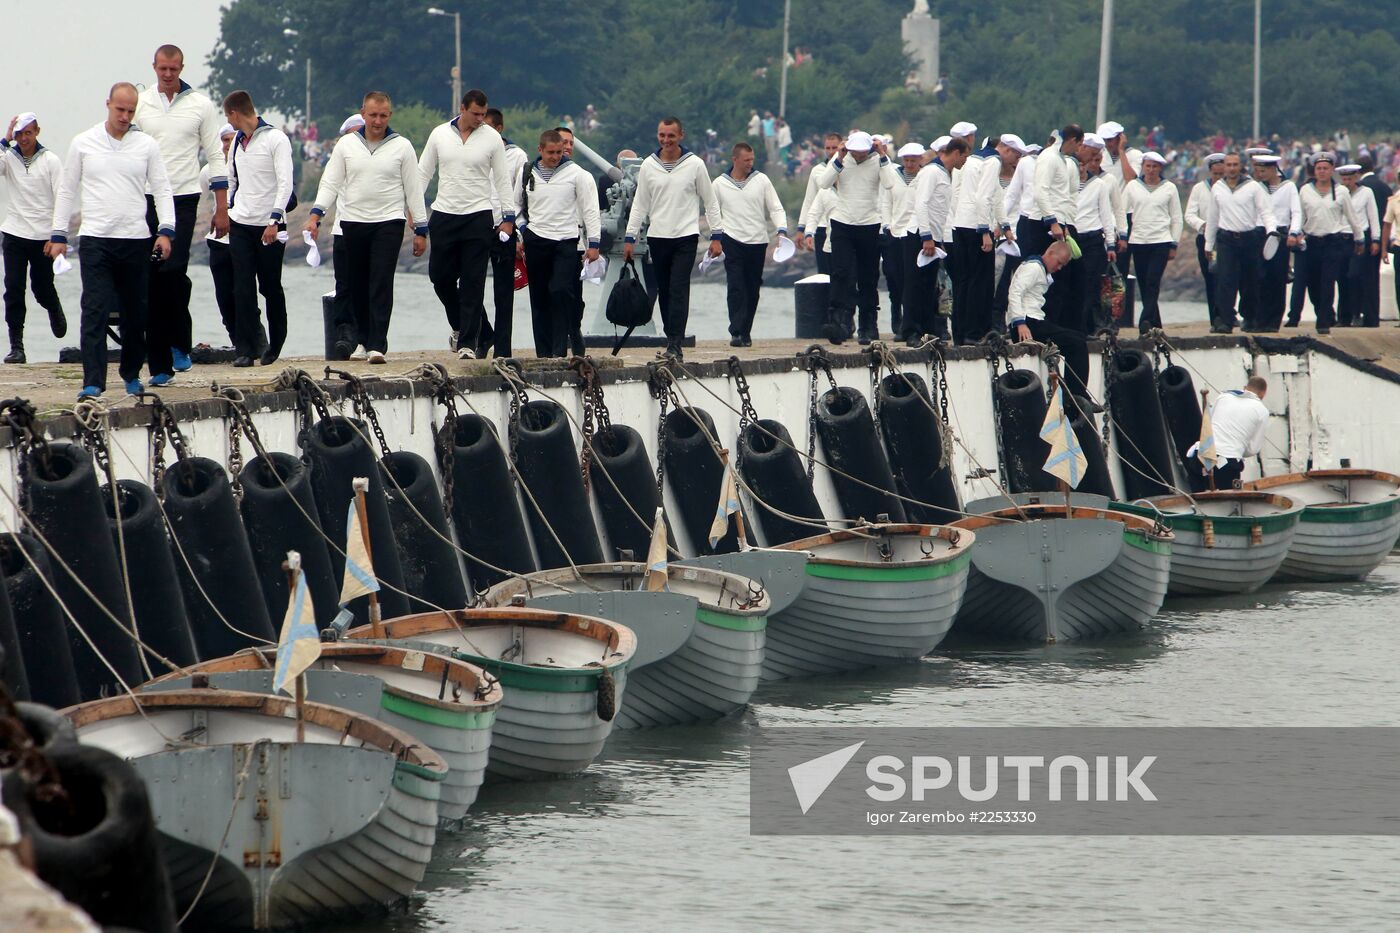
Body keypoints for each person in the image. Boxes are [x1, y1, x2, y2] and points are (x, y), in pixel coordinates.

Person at [49, 83, 174, 398]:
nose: (125, 116)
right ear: (108, 105)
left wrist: (166, 230)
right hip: (96, 239)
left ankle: (131, 373)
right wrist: (58, 234)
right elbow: (67, 189)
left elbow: (161, 187)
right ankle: (93, 380)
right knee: (95, 308)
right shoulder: (83, 142)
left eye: (131, 111)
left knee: (136, 313)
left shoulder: (146, 145)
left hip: (134, 239)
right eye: (120, 110)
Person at [306, 91, 427, 365]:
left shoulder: (402, 146)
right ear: (363, 113)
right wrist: (316, 214)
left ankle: (377, 344)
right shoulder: (346, 145)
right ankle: (361, 339)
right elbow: (330, 182)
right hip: (353, 221)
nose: (377, 120)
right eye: (373, 115)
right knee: (357, 283)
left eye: (383, 115)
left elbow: (414, 189)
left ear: (390, 116)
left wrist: (421, 229)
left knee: (381, 281)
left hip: (388, 221)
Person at [134, 44, 227, 380]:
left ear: (182, 67)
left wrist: (221, 207)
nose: (169, 75)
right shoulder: (141, 104)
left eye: (174, 69)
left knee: (172, 273)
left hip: (184, 198)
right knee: (151, 279)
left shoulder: (200, 105)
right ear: (154, 67)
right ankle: (160, 365)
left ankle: (180, 343)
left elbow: (215, 155)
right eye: (163, 69)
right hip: (145, 199)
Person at [417, 89, 515, 361]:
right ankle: (465, 326)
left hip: (478, 216)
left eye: (484, 115)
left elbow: (502, 180)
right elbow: (423, 172)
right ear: (463, 108)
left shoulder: (492, 138)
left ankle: (468, 344)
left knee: (473, 282)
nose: (480, 119)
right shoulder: (439, 134)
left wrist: (508, 219)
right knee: (440, 277)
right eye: (475, 114)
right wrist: (413, 210)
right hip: (444, 214)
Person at [622, 116, 724, 360]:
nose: (666, 140)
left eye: (671, 135)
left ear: (681, 136)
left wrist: (717, 236)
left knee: (679, 288)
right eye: (662, 135)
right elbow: (640, 204)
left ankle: (676, 343)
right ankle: (671, 337)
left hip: (685, 236)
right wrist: (630, 236)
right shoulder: (649, 165)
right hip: (658, 237)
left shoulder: (695, 164)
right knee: (665, 290)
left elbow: (710, 201)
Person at [221, 90, 293, 368]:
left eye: (229, 116)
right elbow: (231, 178)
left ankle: (275, 343)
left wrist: (274, 220)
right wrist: (228, 210)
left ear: (235, 113)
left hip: (269, 225)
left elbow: (285, 182)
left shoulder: (276, 139)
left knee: (270, 286)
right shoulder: (239, 141)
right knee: (242, 288)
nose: (230, 122)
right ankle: (246, 348)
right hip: (241, 222)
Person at [516, 129, 600, 357]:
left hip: (566, 241)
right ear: (540, 150)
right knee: (539, 297)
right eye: (550, 152)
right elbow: (516, 206)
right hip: (536, 239)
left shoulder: (577, 174)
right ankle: (543, 353)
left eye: (559, 152)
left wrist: (594, 243)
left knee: (561, 291)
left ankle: (559, 350)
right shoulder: (526, 172)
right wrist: (522, 230)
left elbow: (591, 209)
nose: (554, 156)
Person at [814, 130, 896, 345]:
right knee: (840, 273)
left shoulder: (878, 160)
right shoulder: (841, 159)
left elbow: (889, 184)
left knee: (867, 277)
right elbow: (823, 183)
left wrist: (883, 155)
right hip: (842, 222)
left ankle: (867, 325)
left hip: (869, 224)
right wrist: (839, 158)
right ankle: (838, 321)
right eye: (855, 152)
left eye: (863, 152)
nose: (859, 156)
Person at [1, 112, 66, 363]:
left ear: (37, 131)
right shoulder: (8, 158)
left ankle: (53, 306)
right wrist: (4, 140)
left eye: (28, 133)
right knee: (13, 288)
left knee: (41, 286)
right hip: (15, 231)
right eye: (19, 134)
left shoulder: (50, 160)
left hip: (42, 236)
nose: (24, 138)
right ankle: (17, 345)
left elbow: (62, 196)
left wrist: (57, 234)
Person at [713, 142, 786, 346]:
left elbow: (776, 208)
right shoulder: (719, 184)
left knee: (752, 288)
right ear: (734, 159)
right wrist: (715, 237)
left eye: (752, 160)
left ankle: (746, 331)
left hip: (757, 241)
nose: (750, 164)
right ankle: (736, 331)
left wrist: (781, 230)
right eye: (746, 160)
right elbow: (713, 211)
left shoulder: (761, 180)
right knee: (735, 285)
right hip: (731, 239)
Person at [476, 107, 529, 358]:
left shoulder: (517, 157)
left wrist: (516, 230)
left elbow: (520, 197)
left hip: (505, 228)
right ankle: (483, 333)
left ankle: (503, 348)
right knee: (469, 286)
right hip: (477, 225)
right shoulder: (475, 152)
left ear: (498, 129)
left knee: (503, 292)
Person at [1007, 240, 1091, 397]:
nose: (1059, 268)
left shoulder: (1040, 269)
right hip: (1028, 324)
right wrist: (1020, 323)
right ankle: (1077, 393)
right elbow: (1015, 291)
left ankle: (1075, 391)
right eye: (1059, 263)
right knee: (1078, 343)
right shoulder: (1033, 268)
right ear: (1051, 253)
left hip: (1035, 321)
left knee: (1077, 339)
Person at [1204, 152, 1276, 333]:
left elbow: (1266, 211)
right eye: (1228, 165)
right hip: (1226, 239)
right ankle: (1226, 321)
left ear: (1241, 166)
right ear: (1224, 166)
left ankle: (1250, 318)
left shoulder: (1253, 187)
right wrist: (1208, 243)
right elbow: (1212, 217)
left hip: (1249, 239)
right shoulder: (1218, 188)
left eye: (1235, 165)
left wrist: (1272, 231)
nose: (1232, 168)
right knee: (1225, 281)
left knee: (1250, 281)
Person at [1295, 153, 1363, 334]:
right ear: (1314, 171)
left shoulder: (1341, 191)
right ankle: (1324, 312)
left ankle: (1323, 321)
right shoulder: (1305, 191)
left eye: (1326, 168)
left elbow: (1352, 217)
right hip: (1311, 241)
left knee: (1328, 282)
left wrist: (1359, 238)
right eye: (1319, 168)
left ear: (1332, 170)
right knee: (1313, 284)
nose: (1322, 172)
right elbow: (1300, 215)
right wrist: (1296, 233)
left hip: (1333, 242)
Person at [911, 136, 969, 341]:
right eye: (964, 156)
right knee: (917, 285)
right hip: (920, 235)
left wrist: (938, 239)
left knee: (929, 287)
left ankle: (928, 332)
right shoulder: (931, 172)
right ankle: (914, 332)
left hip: (933, 236)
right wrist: (926, 236)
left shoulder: (945, 174)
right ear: (956, 153)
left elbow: (940, 210)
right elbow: (921, 204)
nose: (965, 161)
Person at [1123, 152, 1183, 334]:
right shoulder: (1133, 186)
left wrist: (1174, 243)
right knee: (1143, 282)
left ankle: (1145, 321)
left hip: (1161, 240)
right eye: (1148, 166)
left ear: (1160, 168)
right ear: (1142, 167)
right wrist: (1122, 236)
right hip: (1139, 241)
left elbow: (1177, 218)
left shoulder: (1169, 188)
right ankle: (1155, 322)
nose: (1150, 170)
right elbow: (1122, 212)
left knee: (1152, 281)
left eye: (1154, 166)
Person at [1033, 124, 1084, 326]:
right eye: (1078, 145)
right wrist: (1052, 221)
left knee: (1063, 279)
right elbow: (1041, 191)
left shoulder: (1064, 160)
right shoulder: (1049, 157)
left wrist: (1064, 224)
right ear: (1072, 140)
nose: (1078, 150)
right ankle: (1044, 321)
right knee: (1046, 274)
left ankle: (1057, 322)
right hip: (1043, 223)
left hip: (1059, 223)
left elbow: (1064, 197)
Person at [947, 121, 991, 344]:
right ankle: (972, 332)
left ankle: (959, 333)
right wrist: (985, 229)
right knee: (976, 282)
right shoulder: (978, 163)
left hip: (958, 225)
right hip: (973, 225)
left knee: (961, 283)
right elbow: (983, 198)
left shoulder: (959, 165)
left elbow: (955, 197)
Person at [1073, 135, 1118, 332]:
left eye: (1084, 165)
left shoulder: (1098, 185)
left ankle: (1087, 326)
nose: (1082, 169)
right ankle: (1073, 324)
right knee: (1072, 284)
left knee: (1091, 285)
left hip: (1092, 238)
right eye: (1079, 165)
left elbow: (1106, 215)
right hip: (1072, 238)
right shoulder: (1067, 185)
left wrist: (1110, 244)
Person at [1251, 154, 1301, 332]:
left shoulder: (1288, 187)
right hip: (1259, 232)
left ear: (1274, 169)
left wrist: (1294, 232)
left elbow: (1296, 212)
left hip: (1280, 234)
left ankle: (1273, 321)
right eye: (1259, 170)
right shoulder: (1257, 187)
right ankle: (1258, 319)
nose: (1261, 174)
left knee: (1277, 278)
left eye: (1264, 171)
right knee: (1258, 278)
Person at [201, 123, 238, 345]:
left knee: (243, 293)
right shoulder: (208, 171)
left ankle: (253, 341)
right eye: (225, 140)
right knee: (224, 296)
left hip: (243, 238)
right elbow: (200, 200)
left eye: (233, 139)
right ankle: (235, 336)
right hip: (218, 240)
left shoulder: (248, 166)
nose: (229, 144)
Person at [1196, 377, 1269, 488]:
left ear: (1245, 388)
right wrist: (1237, 448)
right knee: (1228, 502)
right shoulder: (1262, 410)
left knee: (1196, 498)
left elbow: (1209, 425)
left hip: (1199, 455)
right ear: (1263, 394)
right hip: (1227, 464)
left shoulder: (1223, 396)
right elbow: (1253, 448)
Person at [1336, 164, 1381, 328]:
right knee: (1341, 278)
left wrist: (1376, 239)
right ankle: (1344, 316)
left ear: (1356, 178)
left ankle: (1357, 312)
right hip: (1341, 238)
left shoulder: (1366, 192)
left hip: (1359, 239)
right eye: (1344, 179)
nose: (1347, 182)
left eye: (1350, 179)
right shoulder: (1338, 193)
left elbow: (1373, 217)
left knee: (1354, 276)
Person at [1185, 152, 1225, 327]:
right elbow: (1189, 214)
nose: (1218, 178)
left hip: (1226, 238)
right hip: (1206, 238)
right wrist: (1203, 225)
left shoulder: (1229, 190)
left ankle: (1227, 314)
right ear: (1210, 172)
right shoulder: (1199, 189)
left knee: (1227, 277)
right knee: (1211, 278)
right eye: (1215, 174)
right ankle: (1215, 316)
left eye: (1221, 174)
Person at [1097, 121, 1141, 278]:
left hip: (1125, 213)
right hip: (1103, 213)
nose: (1108, 144)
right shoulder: (1101, 157)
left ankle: (1119, 300)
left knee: (1121, 263)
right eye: (1105, 141)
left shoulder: (1135, 155)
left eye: (1110, 140)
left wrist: (1121, 151)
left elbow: (1131, 179)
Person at [797, 133, 841, 274]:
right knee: (824, 273)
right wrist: (801, 229)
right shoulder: (817, 171)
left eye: (834, 147)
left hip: (842, 224)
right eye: (827, 147)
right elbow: (809, 200)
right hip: (821, 227)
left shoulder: (849, 169)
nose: (831, 151)